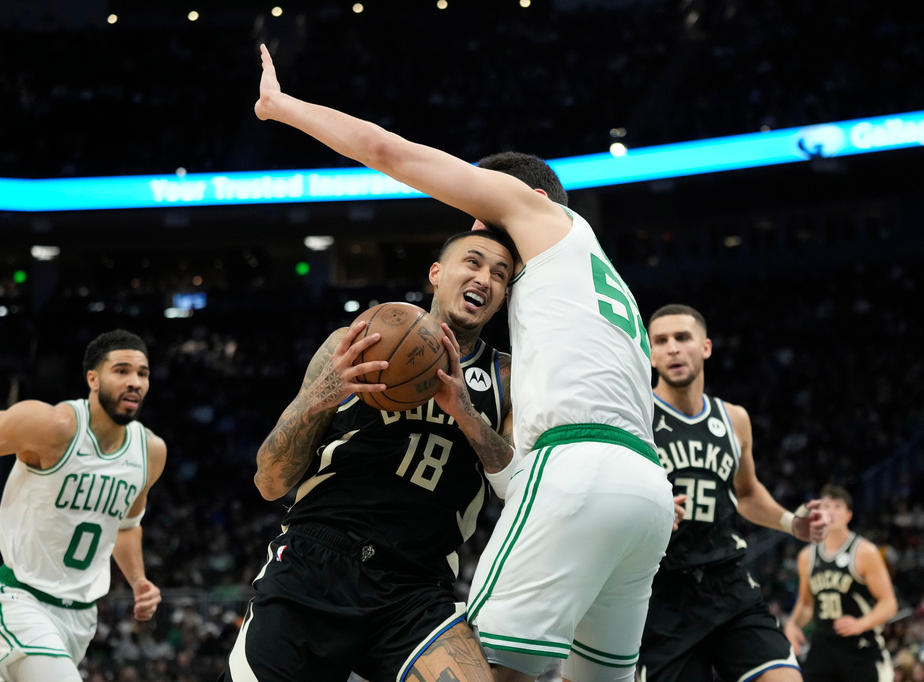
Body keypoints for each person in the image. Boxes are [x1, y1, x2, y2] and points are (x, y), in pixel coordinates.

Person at [254, 44, 676, 682]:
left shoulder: (535, 216)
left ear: (523, 194)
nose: (480, 231)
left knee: (501, 671)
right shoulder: (599, 278)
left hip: (556, 479)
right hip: (645, 485)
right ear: (435, 272)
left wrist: (282, 107)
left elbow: (389, 151)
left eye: (486, 226)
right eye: (469, 250)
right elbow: (268, 477)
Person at [220, 230, 516, 681]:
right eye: (473, 263)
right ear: (436, 273)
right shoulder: (356, 342)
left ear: (502, 299)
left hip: (416, 584)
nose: (485, 278)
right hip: (315, 560)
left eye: (500, 274)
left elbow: (516, 486)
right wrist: (323, 395)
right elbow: (269, 481)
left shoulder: (507, 376)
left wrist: (467, 415)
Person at [0, 330, 166, 682]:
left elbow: (126, 525)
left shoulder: (150, 451)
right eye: (121, 371)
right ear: (92, 378)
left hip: (80, 619)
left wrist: (138, 579)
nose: (135, 382)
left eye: (143, 373)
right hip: (20, 601)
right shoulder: (53, 427)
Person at [638, 304, 829, 682]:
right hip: (661, 595)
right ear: (651, 354)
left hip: (727, 585)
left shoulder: (733, 418)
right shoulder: (636, 415)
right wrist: (648, 509)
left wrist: (792, 523)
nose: (673, 348)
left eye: (683, 338)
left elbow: (747, 493)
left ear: (705, 347)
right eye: (661, 341)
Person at [784, 484, 897, 682]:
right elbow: (806, 603)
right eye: (826, 506)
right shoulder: (806, 557)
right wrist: (793, 624)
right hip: (824, 645)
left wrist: (862, 623)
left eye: (838, 507)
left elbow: (889, 604)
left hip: (859, 645)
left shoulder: (865, 552)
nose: (831, 511)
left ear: (848, 515)